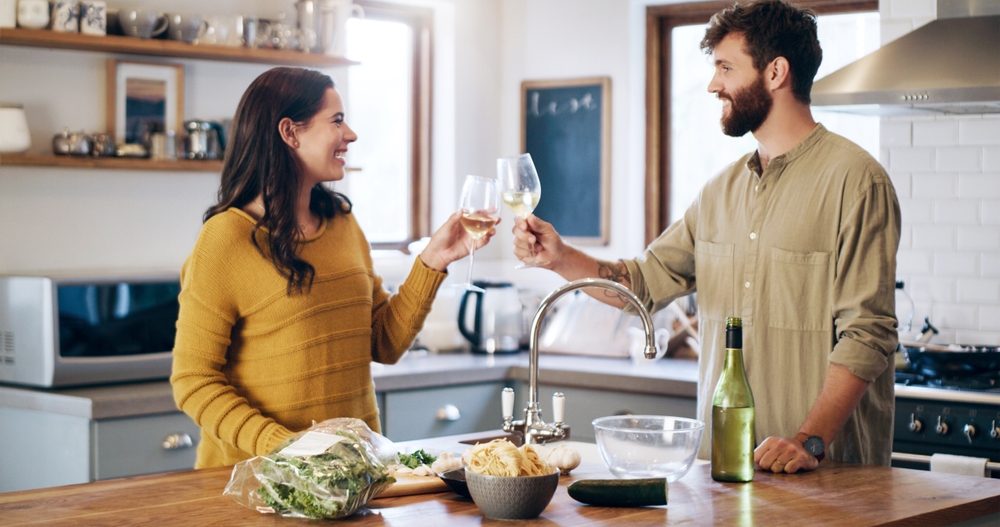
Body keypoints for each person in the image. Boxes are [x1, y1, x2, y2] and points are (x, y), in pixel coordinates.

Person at [513, 0, 899, 473]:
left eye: (725, 67)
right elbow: (644, 284)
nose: (714, 83)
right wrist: (559, 257)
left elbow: (868, 335)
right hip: (725, 472)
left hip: (828, 474)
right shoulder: (718, 192)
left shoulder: (857, 181)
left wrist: (807, 441)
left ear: (776, 72)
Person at [171, 67, 497, 469]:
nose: (351, 135)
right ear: (290, 133)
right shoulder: (225, 239)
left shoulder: (342, 223)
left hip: (353, 477)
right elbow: (194, 381)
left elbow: (384, 343)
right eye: (337, 121)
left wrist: (432, 261)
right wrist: (286, 446)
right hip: (258, 482)